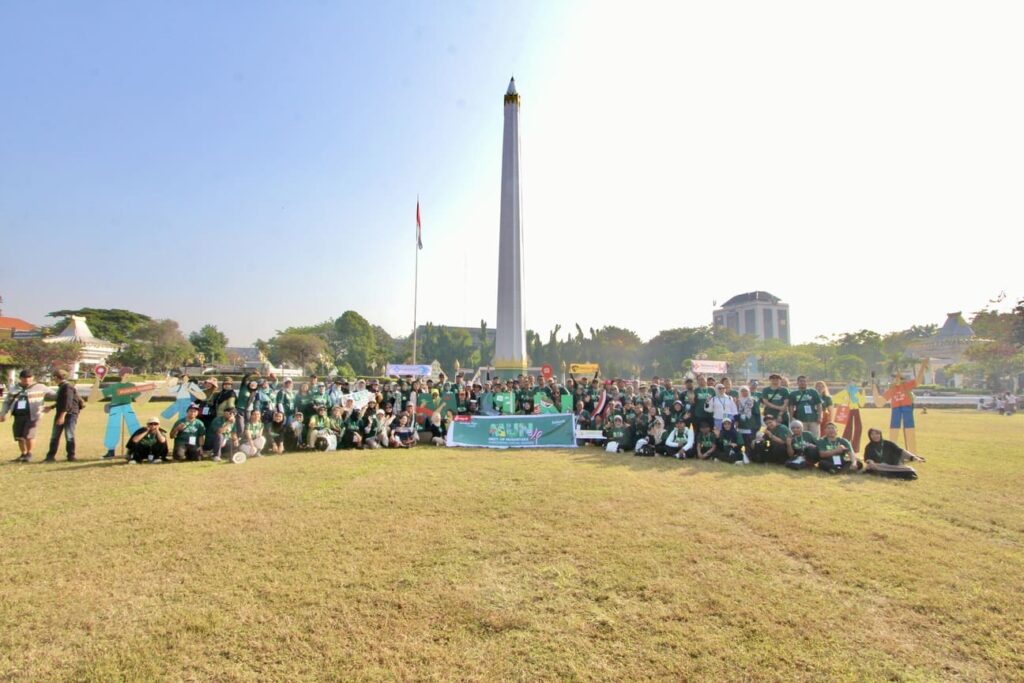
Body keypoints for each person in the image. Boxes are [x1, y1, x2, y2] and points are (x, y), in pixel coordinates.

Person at [872, 359, 928, 452]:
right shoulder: (892, 390)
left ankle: (913, 452)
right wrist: (874, 386)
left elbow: (918, 381)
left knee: (909, 429)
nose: (895, 379)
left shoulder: (906, 386)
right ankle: (891, 451)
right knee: (894, 430)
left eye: (897, 377)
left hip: (907, 408)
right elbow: (879, 403)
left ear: (901, 379)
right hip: (896, 409)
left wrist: (922, 367)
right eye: (894, 378)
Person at [0, 370, 50, 462]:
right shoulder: (15, 388)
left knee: (29, 434)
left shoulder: (40, 387)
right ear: (20, 378)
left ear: (33, 378)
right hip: (18, 415)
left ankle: (29, 454)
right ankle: (23, 454)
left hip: (33, 415)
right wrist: (3, 413)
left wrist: (52, 406)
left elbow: (56, 395)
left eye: (29, 377)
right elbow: (7, 402)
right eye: (24, 378)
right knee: (19, 436)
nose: (27, 379)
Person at [100, 370, 143, 459]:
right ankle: (111, 450)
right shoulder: (115, 386)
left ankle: (137, 448)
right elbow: (102, 393)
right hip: (115, 407)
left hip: (127, 406)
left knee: (134, 427)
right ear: (122, 375)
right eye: (128, 374)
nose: (129, 376)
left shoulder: (131, 386)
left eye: (130, 374)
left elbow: (139, 398)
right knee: (113, 427)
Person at [43, 368, 83, 462]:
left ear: (57, 377)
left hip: (69, 414)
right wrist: (52, 407)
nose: (53, 379)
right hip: (63, 412)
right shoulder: (63, 386)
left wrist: (62, 416)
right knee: (55, 435)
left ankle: (71, 456)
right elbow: (62, 401)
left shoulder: (67, 387)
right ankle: (50, 456)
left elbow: (67, 403)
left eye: (54, 377)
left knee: (69, 435)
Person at [861, 428, 925, 480]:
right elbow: (867, 458)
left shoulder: (888, 443)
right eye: (872, 434)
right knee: (870, 467)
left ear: (880, 434)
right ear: (870, 436)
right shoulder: (869, 446)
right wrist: (871, 462)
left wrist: (914, 457)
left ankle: (898, 472)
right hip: (879, 466)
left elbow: (900, 451)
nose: (875, 436)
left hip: (892, 465)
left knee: (909, 470)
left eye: (877, 434)